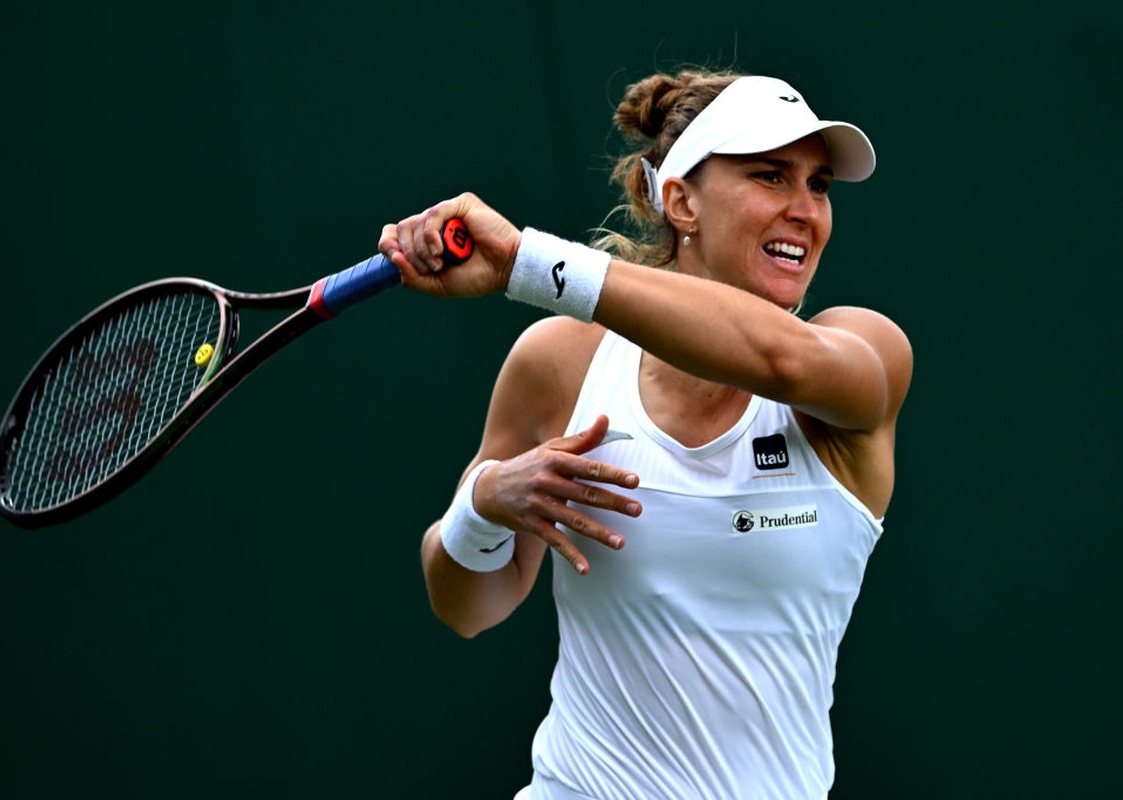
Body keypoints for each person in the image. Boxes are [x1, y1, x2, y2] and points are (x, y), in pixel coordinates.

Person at [380, 68, 912, 800]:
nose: (805, 211)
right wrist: (485, 504)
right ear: (682, 201)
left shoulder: (863, 353)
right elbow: (466, 608)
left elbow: (779, 359)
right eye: (771, 176)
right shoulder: (560, 362)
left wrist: (529, 264)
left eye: (818, 185)